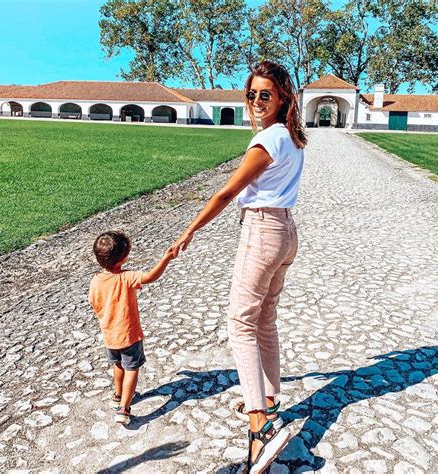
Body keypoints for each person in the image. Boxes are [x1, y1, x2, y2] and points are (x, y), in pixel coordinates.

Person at [172, 61, 307, 472]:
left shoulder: (268, 140)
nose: (256, 101)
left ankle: (260, 427)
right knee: (264, 317)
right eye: (251, 94)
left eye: (265, 94)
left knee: (240, 322)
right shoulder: (292, 136)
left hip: (263, 230)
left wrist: (188, 231)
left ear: (283, 96)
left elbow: (227, 192)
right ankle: (268, 398)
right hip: (285, 231)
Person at [89, 230, 175, 425]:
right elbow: (150, 276)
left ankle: (118, 395)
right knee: (132, 369)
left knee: (118, 365)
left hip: (110, 336)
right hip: (129, 335)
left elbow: (93, 302)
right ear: (124, 257)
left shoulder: (95, 281)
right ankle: (124, 409)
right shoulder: (126, 277)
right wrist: (166, 258)